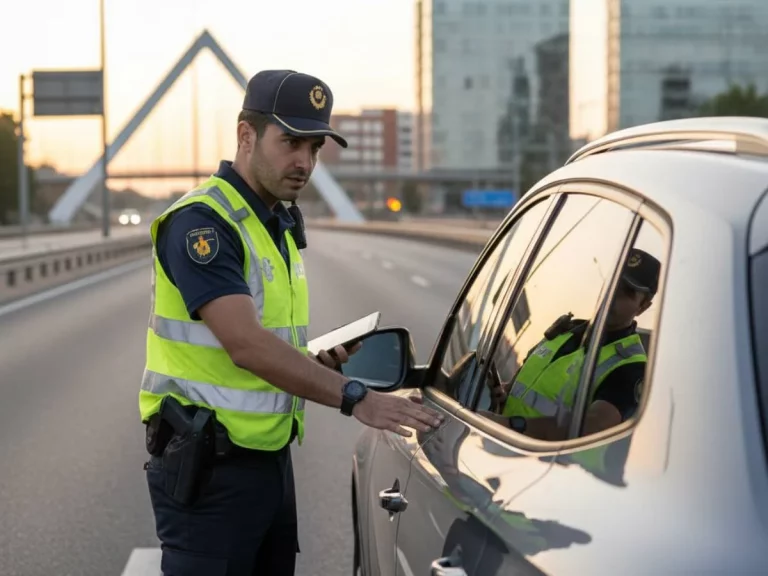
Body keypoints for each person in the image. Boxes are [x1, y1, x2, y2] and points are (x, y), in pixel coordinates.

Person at [138, 69, 444, 576]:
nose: (305, 162)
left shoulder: (273, 224)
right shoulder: (203, 224)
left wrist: (311, 363)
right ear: (246, 135)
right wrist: (355, 396)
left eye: (315, 147)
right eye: (291, 142)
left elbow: (262, 348)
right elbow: (245, 345)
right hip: (209, 469)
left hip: (267, 461)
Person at [483, 248, 661, 441]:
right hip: (500, 447)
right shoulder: (564, 330)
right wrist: (503, 393)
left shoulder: (631, 366)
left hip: (545, 465)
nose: (612, 295)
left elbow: (593, 426)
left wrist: (510, 425)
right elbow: (526, 390)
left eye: (626, 292)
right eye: (612, 283)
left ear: (643, 307)